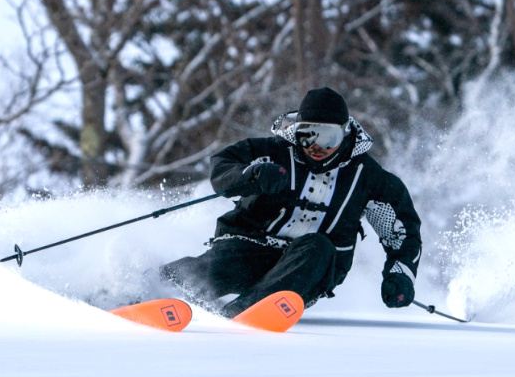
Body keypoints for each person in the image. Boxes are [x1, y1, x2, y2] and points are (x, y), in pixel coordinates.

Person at [161, 87, 422, 317]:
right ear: (296, 131)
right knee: (214, 270)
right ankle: (150, 289)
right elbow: (223, 165)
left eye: (328, 137)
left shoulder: (369, 178)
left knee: (318, 246)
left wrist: (400, 274)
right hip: (250, 248)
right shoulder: (272, 153)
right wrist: (251, 175)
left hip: (310, 267)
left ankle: (243, 311)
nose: (317, 146)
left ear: (345, 133)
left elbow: (401, 231)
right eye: (308, 135)